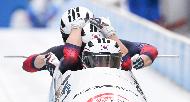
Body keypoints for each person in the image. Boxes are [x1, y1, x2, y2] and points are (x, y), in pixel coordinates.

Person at [22, 6, 158, 76]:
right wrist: (43, 59)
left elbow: (149, 49)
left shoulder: (110, 45)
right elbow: (28, 64)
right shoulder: (61, 53)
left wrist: (143, 58)